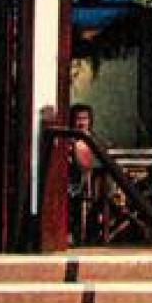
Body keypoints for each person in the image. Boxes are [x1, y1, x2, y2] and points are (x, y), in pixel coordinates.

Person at [68, 104, 98, 244]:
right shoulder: (69, 140)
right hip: (73, 183)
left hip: (93, 181)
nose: (81, 122)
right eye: (78, 119)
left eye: (85, 118)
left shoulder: (94, 140)